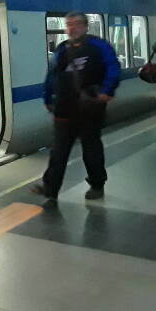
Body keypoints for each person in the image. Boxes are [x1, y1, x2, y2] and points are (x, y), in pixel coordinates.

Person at [32, 12, 120, 201]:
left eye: (77, 24)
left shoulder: (99, 46)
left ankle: (97, 184)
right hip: (64, 108)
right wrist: (47, 97)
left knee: (91, 149)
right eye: (68, 24)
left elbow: (113, 67)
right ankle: (50, 188)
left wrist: (107, 90)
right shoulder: (62, 49)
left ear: (85, 26)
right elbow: (52, 75)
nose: (72, 28)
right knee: (58, 150)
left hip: (90, 107)